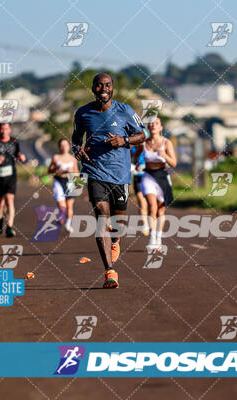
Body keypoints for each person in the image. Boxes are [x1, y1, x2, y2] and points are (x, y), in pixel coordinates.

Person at [72, 72, 147, 289]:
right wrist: (77, 149)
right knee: (101, 218)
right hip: (95, 172)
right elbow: (76, 139)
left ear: (112, 88)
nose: (103, 89)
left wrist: (124, 140)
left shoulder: (125, 111)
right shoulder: (83, 113)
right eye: (99, 85)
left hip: (120, 175)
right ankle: (109, 271)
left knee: (118, 224)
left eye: (107, 85)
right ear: (93, 88)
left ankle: (116, 240)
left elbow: (142, 135)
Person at [133, 116, 177, 248]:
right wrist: (136, 164)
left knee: (160, 210)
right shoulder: (144, 143)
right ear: (149, 127)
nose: (153, 125)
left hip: (162, 176)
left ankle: (158, 237)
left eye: (156, 123)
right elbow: (135, 156)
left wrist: (165, 156)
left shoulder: (166, 143)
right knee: (152, 206)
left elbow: (173, 163)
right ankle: (152, 238)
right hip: (148, 176)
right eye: (151, 123)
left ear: (160, 127)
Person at [0, 122, 26, 237]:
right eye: (2, 129)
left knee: (9, 200)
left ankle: (10, 227)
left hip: (10, 176)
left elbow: (18, 154)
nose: (4, 131)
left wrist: (21, 157)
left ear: (10, 129)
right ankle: (0, 220)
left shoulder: (14, 142)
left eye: (6, 128)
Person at [48, 138, 79, 232]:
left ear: (68, 146)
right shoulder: (56, 157)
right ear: (59, 147)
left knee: (70, 206)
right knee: (63, 207)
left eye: (66, 145)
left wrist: (71, 172)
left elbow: (77, 173)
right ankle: (61, 216)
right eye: (62, 145)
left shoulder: (73, 159)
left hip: (70, 182)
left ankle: (68, 225)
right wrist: (56, 169)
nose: (64, 147)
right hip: (58, 181)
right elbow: (49, 171)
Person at [131, 145, 149, 236]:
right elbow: (130, 162)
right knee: (142, 203)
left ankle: (151, 222)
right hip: (138, 178)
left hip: (149, 178)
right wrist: (133, 168)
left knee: (151, 203)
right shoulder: (133, 149)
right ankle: (145, 225)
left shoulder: (150, 148)